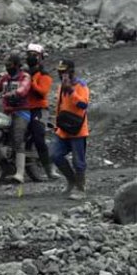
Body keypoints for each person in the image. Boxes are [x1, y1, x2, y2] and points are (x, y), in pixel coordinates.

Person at [0, 54, 32, 183]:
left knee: (17, 138)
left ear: (16, 64)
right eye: (6, 65)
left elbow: (24, 89)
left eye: (9, 65)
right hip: (7, 112)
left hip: (21, 112)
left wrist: (15, 93)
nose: (7, 67)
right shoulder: (5, 78)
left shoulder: (24, 76)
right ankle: (5, 169)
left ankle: (20, 173)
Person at [51, 60, 90, 200]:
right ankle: (71, 180)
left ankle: (81, 188)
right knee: (55, 155)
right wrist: (56, 124)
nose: (62, 75)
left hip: (77, 129)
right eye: (60, 72)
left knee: (78, 161)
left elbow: (83, 104)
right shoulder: (61, 86)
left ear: (71, 71)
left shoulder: (81, 85)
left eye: (64, 72)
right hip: (63, 129)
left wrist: (71, 91)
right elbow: (59, 106)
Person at [25, 43, 60, 180]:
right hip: (23, 109)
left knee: (38, 138)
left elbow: (42, 92)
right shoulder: (24, 73)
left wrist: (31, 81)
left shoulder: (44, 75)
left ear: (40, 57)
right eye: (29, 55)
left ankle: (49, 169)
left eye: (34, 55)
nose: (31, 57)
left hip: (38, 109)